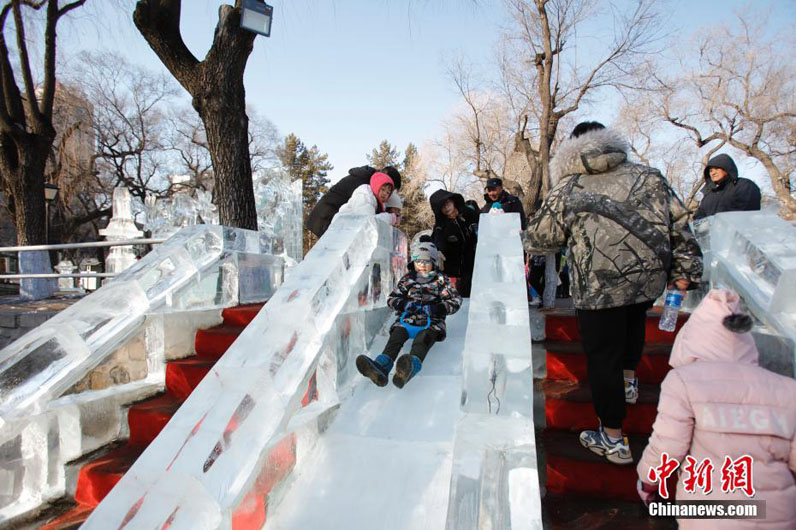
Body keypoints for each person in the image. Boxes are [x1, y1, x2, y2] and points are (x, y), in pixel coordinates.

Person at [521, 120, 702, 464]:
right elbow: (680, 225)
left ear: (573, 148)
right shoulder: (650, 177)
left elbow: (539, 239)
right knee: (633, 320)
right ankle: (630, 382)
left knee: (603, 356)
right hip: (647, 278)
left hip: (597, 284)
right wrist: (685, 272)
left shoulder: (568, 187)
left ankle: (613, 437)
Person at [637, 289, 796, 529]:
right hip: (776, 515)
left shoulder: (684, 381)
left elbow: (669, 446)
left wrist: (649, 483)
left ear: (693, 339)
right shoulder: (787, 389)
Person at [356, 241, 461, 388]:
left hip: (432, 322)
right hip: (408, 319)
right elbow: (392, 299)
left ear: (433, 262)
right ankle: (381, 367)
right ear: (414, 262)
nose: (422, 265)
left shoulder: (441, 280)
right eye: (419, 261)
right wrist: (405, 304)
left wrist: (436, 308)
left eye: (427, 262)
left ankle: (410, 366)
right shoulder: (407, 280)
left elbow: (455, 300)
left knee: (423, 339)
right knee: (396, 336)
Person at [308, 165, 402, 237]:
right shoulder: (364, 187)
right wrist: (389, 217)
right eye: (386, 189)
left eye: (389, 192)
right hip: (325, 217)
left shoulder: (369, 181)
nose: (387, 195)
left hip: (331, 218)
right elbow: (366, 217)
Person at [429, 189, 479, 297]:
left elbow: (483, 225)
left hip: (475, 260)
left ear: (453, 201)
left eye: (447, 203)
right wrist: (439, 251)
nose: (446, 208)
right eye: (442, 207)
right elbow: (438, 239)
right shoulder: (441, 225)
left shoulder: (469, 213)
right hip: (455, 267)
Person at [693, 154, 761, 220]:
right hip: (712, 231)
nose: (713, 173)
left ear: (726, 168)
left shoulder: (744, 185)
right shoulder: (708, 195)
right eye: (710, 171)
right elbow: (699, 216)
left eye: (717, 168)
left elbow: (745, 211)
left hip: (741, 230)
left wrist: (719, 224)